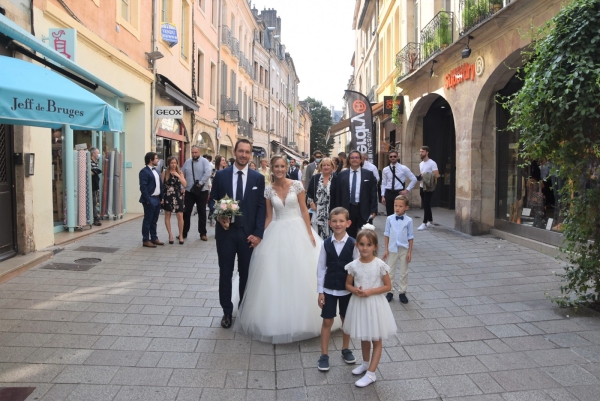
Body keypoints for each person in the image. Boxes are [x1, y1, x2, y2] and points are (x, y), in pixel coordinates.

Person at [235, 154, 323, 343]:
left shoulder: (297, 186)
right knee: (276, 274)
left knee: (300, 272)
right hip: (277, 228)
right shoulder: (268, 190)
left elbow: (304, 210)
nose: (280, 169)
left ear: (286, 167)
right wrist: (262, 236)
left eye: (282, 166)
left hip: (297, 229)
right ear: (271, 169)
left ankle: (304, 318)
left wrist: (309, 232)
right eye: (276, 167)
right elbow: (268, 216)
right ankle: (276, 318)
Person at [211, 139, 266, 329]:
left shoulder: (257, 178)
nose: (243, 155)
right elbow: (212, 201)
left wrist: (258, 234)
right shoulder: (221, 175)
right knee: (225, 273)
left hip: (248, 236)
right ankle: (227, 311)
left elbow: (261, 209)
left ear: (250, 155)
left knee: (246, 274)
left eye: (247, 152)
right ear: (235, 152)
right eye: (240, 151)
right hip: (226, 233)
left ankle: (244, 309)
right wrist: (219, 215)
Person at [343, 226, 397, 388]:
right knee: (364, 336)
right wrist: (355, 290)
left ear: (375, 247)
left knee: (376, 339)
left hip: (375, 305)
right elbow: (347, 285)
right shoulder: (353, 265)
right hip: (359, 304)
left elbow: (388, 286)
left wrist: (371, 291)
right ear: (356, 245)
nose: (365, 248)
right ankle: (366, 363)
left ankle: (371, 373)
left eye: (368, 245)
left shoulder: (379, 265)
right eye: (362, 244)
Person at [316, 207, 359, 372]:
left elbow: (357, 267)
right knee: (327, 320)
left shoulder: (353, 244)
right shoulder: (326, 243)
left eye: (341, 221)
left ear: (348, 223)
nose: (338, 224)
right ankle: (324, 354)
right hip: (329, 288)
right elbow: (320, 268)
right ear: (329, 223)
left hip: (347, 290)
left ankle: (345, 348)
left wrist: (358, 288)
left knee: (346, 320)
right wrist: (320, 291)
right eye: (334, 221)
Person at [334, 150, 378, 239]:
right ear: (349, 160)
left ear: (361, 160)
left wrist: (374, 210)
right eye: (352, 158)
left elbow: (373, 192)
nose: (355, 160)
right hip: (347, 209)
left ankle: (363, 253)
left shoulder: (368, 174)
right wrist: (338, 210)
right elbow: (338, 194)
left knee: (366, 236)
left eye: (357, 157)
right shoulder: (342, 175)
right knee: (349, 236)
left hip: (364, 209)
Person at [382, 195, 413, 304]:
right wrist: (386, 249)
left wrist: (410, 252)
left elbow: (410, 237)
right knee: (390, 271)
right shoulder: (389, 219)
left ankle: (402, 292)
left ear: (406, 207)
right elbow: (386, 234)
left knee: (404, 271)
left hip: (404, 249)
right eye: (396, 205)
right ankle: (389, 291)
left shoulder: (409, 221)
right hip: (392, 248)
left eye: (400, 206)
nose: (397, 208)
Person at [181, 146, 212, 241]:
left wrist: (200, 183)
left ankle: (203, 233)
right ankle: (183, 233)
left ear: (200, 152)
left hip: (202, 191)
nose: (194, 154)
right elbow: (182, 174)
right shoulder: (187, 162)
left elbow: (208, 173)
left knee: (202, 212)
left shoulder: (204, 162)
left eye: (196, 152)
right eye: (193, 152)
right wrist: (182, 187)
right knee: (186, 212)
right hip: (189, 191)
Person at [307, 158, 338, 239]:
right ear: (321, 167)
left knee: (331, 234)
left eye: (328, 165)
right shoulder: (315, 178)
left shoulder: (336, 179)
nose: (326, 167)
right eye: (324, 165)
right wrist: (311, 202)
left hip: (331, 212)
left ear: (332, 167)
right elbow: (309, 193)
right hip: (317, 212)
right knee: (317, 234)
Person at [139, 152, 164, 248]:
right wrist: (148, 200)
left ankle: (154, 238)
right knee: (148, 220)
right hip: (150, 199)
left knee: (154, 220)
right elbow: (143, 187)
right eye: (156, 158)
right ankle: (145, 239)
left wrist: (161, 197)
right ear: (150, 160)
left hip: (157, 199)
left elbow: (160, 186)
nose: (157, 160)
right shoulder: (144, 172)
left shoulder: (157, 171)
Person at [381, 150, 417, 216]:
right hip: (388, 193)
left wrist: (407, 190)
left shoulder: (403, 168)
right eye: (391, 156)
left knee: (399, 213)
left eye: (394, 156)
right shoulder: (385, 169)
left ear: (397, 157)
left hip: (399, 193)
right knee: (389, 214)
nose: (393, 158)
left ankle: (399, 226)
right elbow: (384, 183)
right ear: (389, 158)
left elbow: (414, 179)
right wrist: (383, 195)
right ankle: (391, 226)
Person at [161, 156, 187, 245]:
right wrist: (162, 198)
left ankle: (180, 235)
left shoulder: (180, 172)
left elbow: (185, 184)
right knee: (167, 215)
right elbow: (162, 186)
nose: (173, 165)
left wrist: (178, 176)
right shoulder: (165, 172)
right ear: (169, 163)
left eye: (175, 163)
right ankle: (170, 235)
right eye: (172, 163)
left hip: (177, 194)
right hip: (168, 195)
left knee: (180, 215)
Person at [417, 146, 440, 231]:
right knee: (426, 205)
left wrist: (426, 175)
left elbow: (437, 175)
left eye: (422, 152)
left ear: (427, 152)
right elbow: (422, 175)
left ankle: (424, 223)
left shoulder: (432, 163)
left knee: (426, 204)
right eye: (420, 152)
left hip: (429, 187)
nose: (420, 153)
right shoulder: (420, 164)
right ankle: (431, 222)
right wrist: (420, 177)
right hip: (422, 186)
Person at [90, 147, 102, 226]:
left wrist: (96, 171)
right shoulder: (90, 161)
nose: (99, 154)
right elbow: (90, 172)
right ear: (93, 154)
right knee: (93, 201)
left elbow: (95, 171)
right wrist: (96, 171)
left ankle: (95, 216)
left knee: (95, 200)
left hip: (95, 183)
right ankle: (95, 218)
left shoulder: (96, 161)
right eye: (98, 153)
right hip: (91, 183)